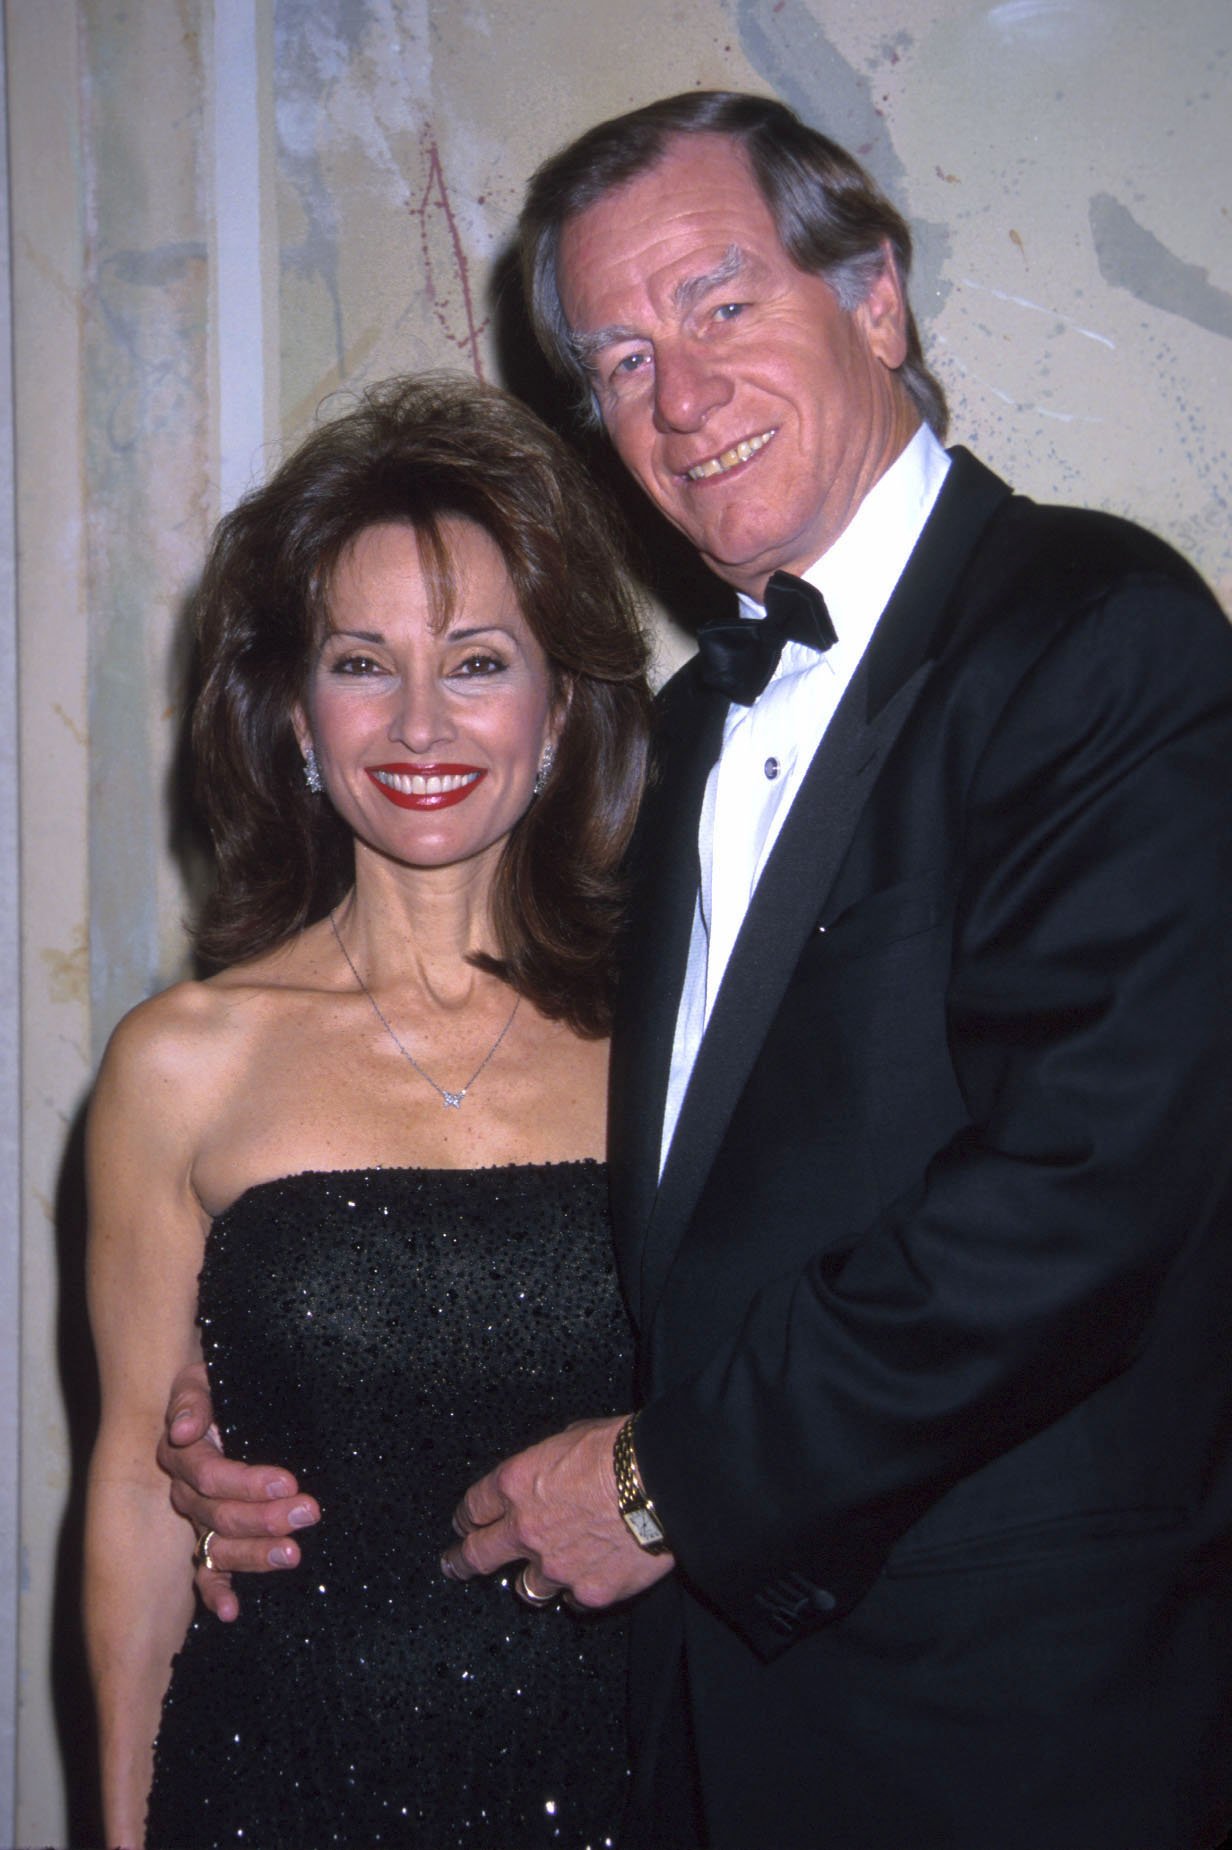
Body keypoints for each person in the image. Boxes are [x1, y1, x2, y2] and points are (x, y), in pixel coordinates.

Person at [161, 93, 1232, 1850]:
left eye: (721, 303)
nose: (677, 394)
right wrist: (258, 1400)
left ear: (875, 298)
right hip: (687, 1734)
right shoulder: (668, 745)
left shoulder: (1097, 636)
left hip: (1010, 1729)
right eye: (622, 354)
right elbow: (601, 1209)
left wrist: (667, 1488)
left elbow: (1087, 1190)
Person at [83, 371, 651, 1850]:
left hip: (644, 1773)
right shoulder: (179, 1064)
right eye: (360, 660)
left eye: (475, 662)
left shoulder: (681, 1039)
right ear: (289, 706)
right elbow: (143, 1504)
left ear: (562, 703)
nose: (416, 720)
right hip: (281, 1782)